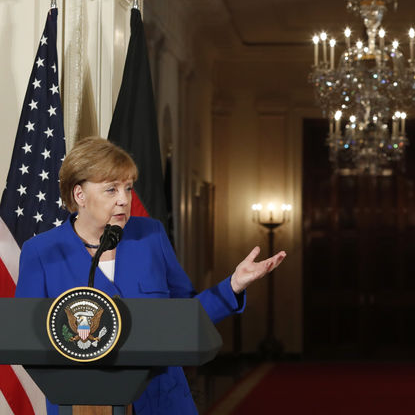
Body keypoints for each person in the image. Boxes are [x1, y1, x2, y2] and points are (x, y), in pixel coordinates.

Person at [15, 136, 287, 414]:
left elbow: (188, 317)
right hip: (84, 403)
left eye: (128, 189)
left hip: (162, 401)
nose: (124, 200)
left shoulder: (151, 235)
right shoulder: (41, 252)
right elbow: (27, 339)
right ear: (79, 195)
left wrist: (234, 285)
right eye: (111, 190)